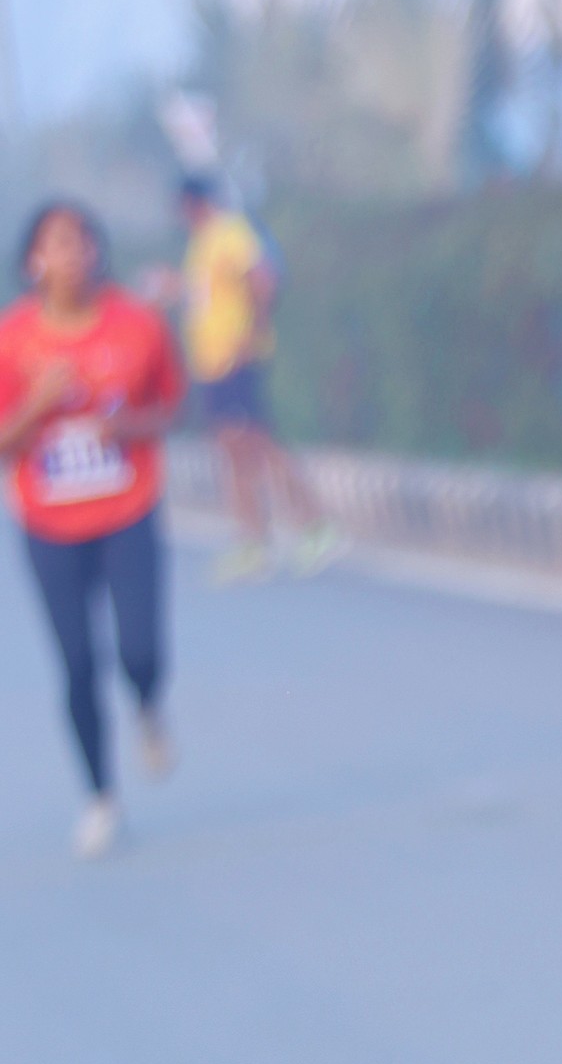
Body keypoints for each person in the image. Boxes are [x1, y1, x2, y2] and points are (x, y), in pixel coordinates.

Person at [0, 200, 186, 857]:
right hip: (50, 523)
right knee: (78, 663)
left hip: (127, 509)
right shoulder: (13, 339)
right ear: (34, 261)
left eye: (83, 242)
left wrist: (128, 426)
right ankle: (101, 797)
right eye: (58, 244)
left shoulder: (138, 325)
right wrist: (39, 404)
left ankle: (148, 704)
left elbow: (171, 407)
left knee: (139, 650)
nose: (74, 255)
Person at [175, 175, 332, 578]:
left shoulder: (229, 231)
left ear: (192, 203)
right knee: (232, 449)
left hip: (237, 358)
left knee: (259, 443)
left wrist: (252, 333)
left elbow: (262, 278)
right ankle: (252, 540)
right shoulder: (202, 241)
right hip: (212, 363)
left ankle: (315, 525)